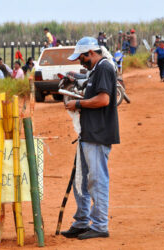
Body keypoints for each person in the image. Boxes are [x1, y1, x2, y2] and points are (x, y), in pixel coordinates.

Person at [61, 37, 120, 240]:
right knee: (82, 181)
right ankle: (82, 221)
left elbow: (104, 99)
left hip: (98, 134)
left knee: (96, 180)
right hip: (88, 133)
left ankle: (100, 225)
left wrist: (78, 105)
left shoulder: (104, 68)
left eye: (81, 57)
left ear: (91, 53)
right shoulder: (95, 70)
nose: (80, 61)